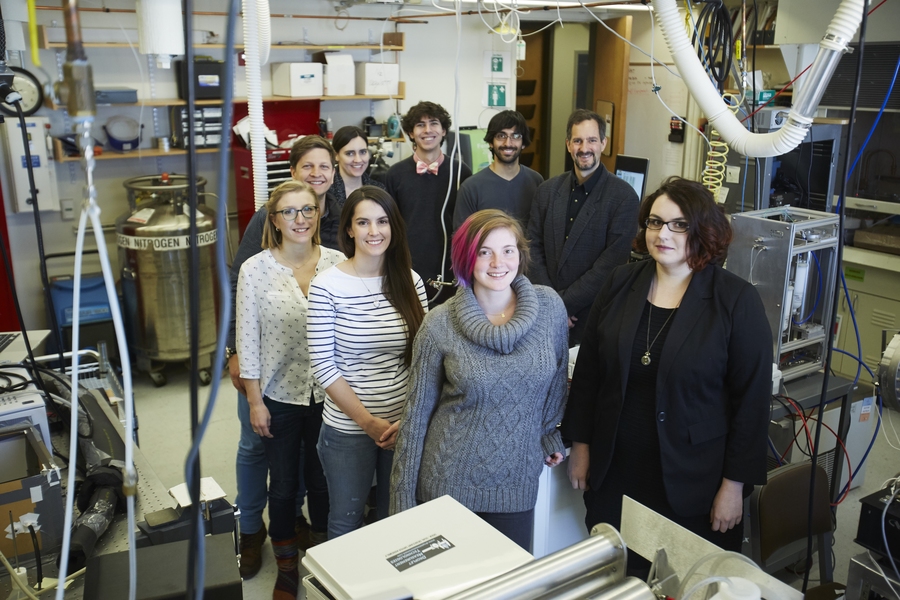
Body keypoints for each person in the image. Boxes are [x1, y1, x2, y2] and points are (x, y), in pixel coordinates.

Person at [562, 177, 772, 554]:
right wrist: (581, 444)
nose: (663, 233)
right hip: (616, 474)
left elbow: (751, 402)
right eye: (655, 222)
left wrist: (734, 486)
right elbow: (590, 371)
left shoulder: (736, 301)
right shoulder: (620, 282)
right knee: (619, 576)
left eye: (679, 224)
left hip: (693, 482)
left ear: (703, 230)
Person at [390, 209, 569, 551]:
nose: (497, 262)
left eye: (508, 250)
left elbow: (556, 380)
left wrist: (548, 432)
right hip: (447, 484)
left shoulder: (550, 308)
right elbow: (414, 420)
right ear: (466, 259)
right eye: (484, 251)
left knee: (508, 587)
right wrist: (402, 505)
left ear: (520, 254)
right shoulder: (439, 324)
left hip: (516, 486)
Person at [226, 134, 340, 579]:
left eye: (307, 210)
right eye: (289, 212)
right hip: (278, 395)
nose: (300, 218)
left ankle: (328, 566)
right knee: (284, 484)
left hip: (328, 394)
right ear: (272, 219)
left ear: (318, 213)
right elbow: (249, 337)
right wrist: (254, 400)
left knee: (322, 480)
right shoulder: (256, 268)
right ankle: (287, 569)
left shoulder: (337, 262)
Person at [308, 186, 428, 539]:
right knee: (346, 522)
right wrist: (368, 423)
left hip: (403, 425)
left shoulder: (410, 280)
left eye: (382, 221)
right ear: (349, 229)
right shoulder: (326, 286)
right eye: (363, 222)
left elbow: (422, 356)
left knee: (398, 520)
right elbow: (324, 367)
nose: (374, 231)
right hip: (348, 428)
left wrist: (407, 419)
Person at [527, 109, 639, 347]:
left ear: (603, 144)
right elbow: (532, 248)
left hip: (592, 318)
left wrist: (564, 306)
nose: (584, 148)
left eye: (591, 140)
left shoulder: (623, 197)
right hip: (544, 314)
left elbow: (611, 264)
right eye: (577, 140)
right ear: (568, 145)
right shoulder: (546, 191)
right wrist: (552, 306)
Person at [385, 101, 472, 307]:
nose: (427, 130)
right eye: (420, 125)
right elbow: (389, 224)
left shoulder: (462, 172)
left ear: (443, 131)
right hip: (408, 263)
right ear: (411, 133)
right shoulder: (395, 175)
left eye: (433, 123)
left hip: (451, 265)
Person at [452, 110, 543, 230]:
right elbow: (462, 238)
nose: (508, 143)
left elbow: (542, 231)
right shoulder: (471, 187)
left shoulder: (536, 181)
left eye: (516, 136)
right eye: (501, 136)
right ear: (490, 142)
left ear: (523, 143)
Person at [330, 126, 385, 208]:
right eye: (350, 153)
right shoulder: (327, 192)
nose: (358, 160)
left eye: (363, 152)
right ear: (336, 155)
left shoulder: (379, 190)